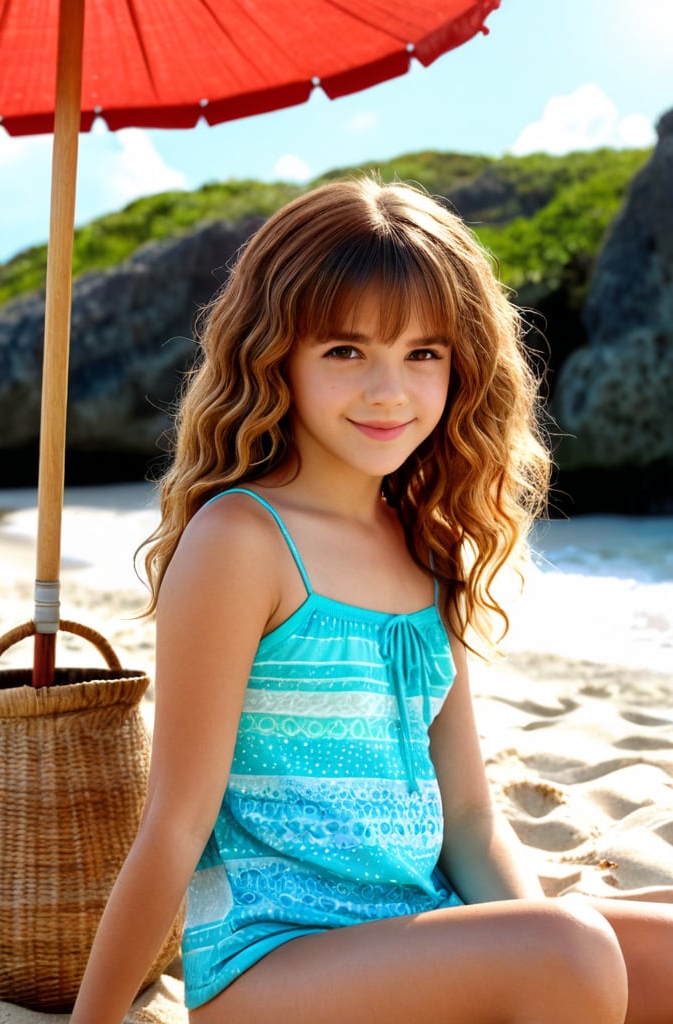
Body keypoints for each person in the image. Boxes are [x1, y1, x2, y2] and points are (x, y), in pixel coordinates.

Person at [70, 178, 673, 1024]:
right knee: (570, 950)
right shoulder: (241, 540)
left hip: (411, 931)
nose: (389, 391)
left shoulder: (429, 545)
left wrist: (536, 927)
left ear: (463, 367)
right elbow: (174, 821)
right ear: (275, 352)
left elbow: (468, 815)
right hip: (272, 965)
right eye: (346, 352)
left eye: (423, 353)